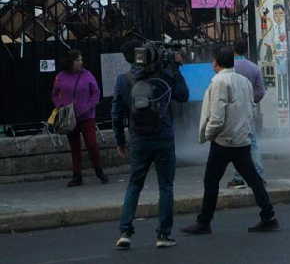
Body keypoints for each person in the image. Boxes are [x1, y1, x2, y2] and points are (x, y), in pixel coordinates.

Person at [181, 47, 279, 235]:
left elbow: (217, 116)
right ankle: (269, 216)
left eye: (213, 61)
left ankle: (204, 222)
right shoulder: (243, 81)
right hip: (241, 140)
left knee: (211, 181)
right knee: (254, 180)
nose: (211, 63)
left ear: (217, 63)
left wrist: (208, 135)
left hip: (223, 141)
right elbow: (249, 108)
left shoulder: (219, 82)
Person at [112, 40, 189, 250]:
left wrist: (120, 141)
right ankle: (163, 234)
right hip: (163, 137)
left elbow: (116, 115)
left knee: (134, 184)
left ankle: (125, 232)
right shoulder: (165, 76)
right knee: (166, 186)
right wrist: (175, 68)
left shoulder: (123, 80)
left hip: (138, 139)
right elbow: (183, 95)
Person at [51, 50, 107, 187]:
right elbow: (55, 94)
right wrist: (60, 106)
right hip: (69, 117)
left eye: (81, 60)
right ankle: (77, 176)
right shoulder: (60, 76)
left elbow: (96, 93)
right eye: (78, 60)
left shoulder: (87, 75)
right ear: (71, 62)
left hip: (86, 116)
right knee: (74, 147)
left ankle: (99, 171)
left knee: (92, 144)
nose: (81, 62)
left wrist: (87, 107)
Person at [229, 38, 266, 188]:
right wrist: (253, 101)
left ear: (234, 50)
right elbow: (261, 91)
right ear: (246, 50)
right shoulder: (254, 68)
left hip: (232, 111)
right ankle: (258, 174)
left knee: (235, 144)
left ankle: (238, 177)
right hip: (249, 110)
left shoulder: (230, 68)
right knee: (253, 143)